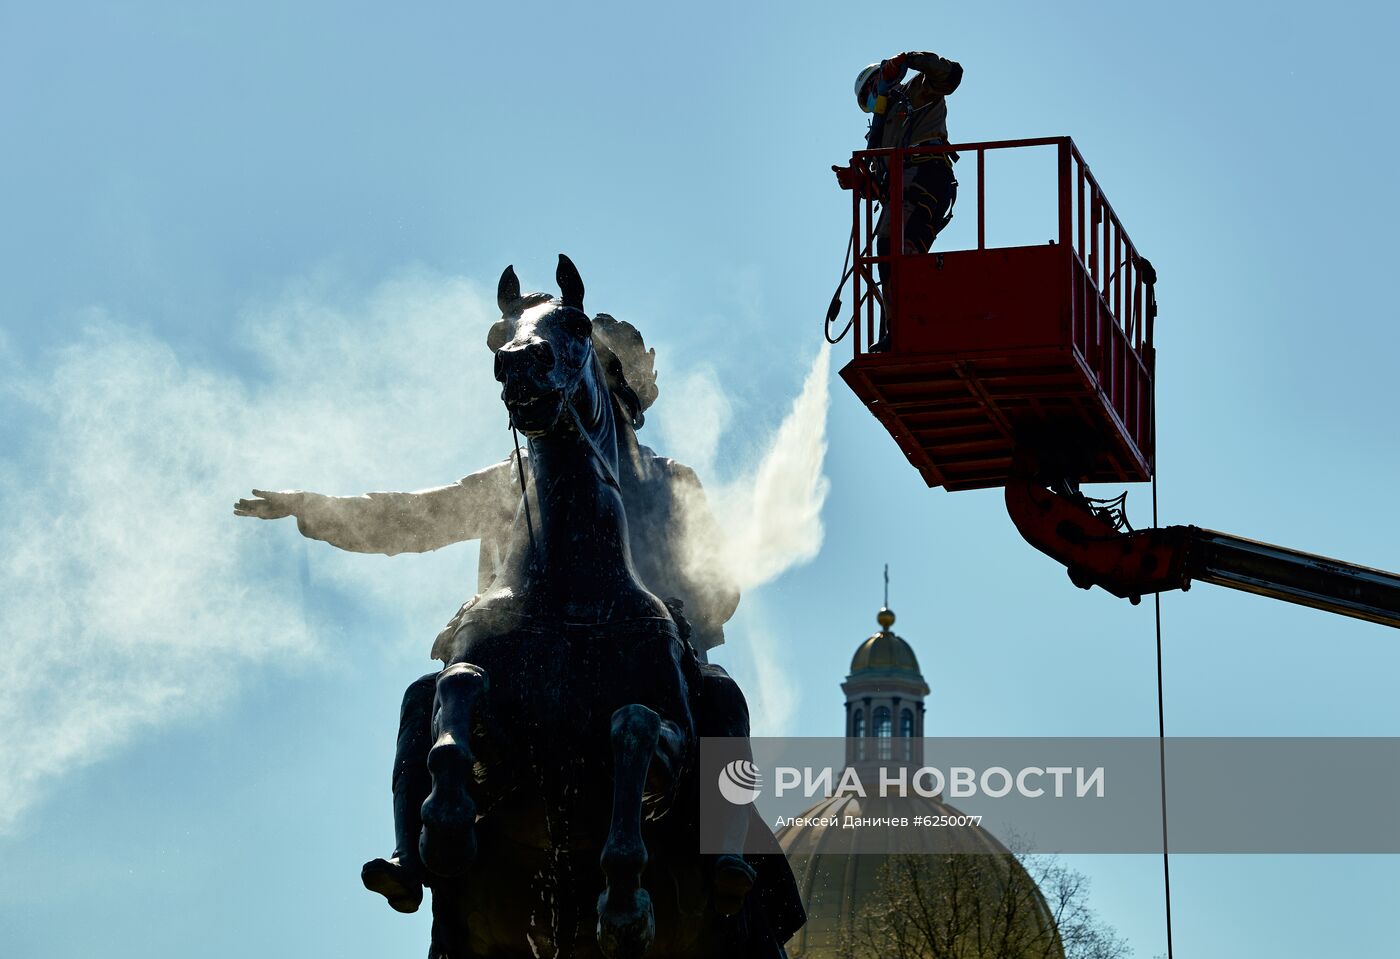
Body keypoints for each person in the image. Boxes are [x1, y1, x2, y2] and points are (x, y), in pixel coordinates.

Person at [234, 310, 774, 922]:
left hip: (648, 659)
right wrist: (317, 508)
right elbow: (411, 519)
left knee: (723, 700)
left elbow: (719, 587)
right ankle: (409, 857)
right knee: (425, 701)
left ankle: (734, 857)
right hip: (522, 656)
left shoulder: (672, 482)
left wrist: (679, 612)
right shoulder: (512, 481)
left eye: (609, 379)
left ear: (624, 394)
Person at [834, 51, 963, 351]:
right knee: (891, 253)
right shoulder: (879, 136)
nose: (873, 96)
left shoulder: (916, 91)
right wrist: (861, 184)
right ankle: (901, 329)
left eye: (874, 86)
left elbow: (951, 75)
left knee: (895, 245)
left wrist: (910, 59)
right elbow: (881, 186)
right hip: (904, 187)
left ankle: (908, 328)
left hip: (926, 173)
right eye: (866, 99)